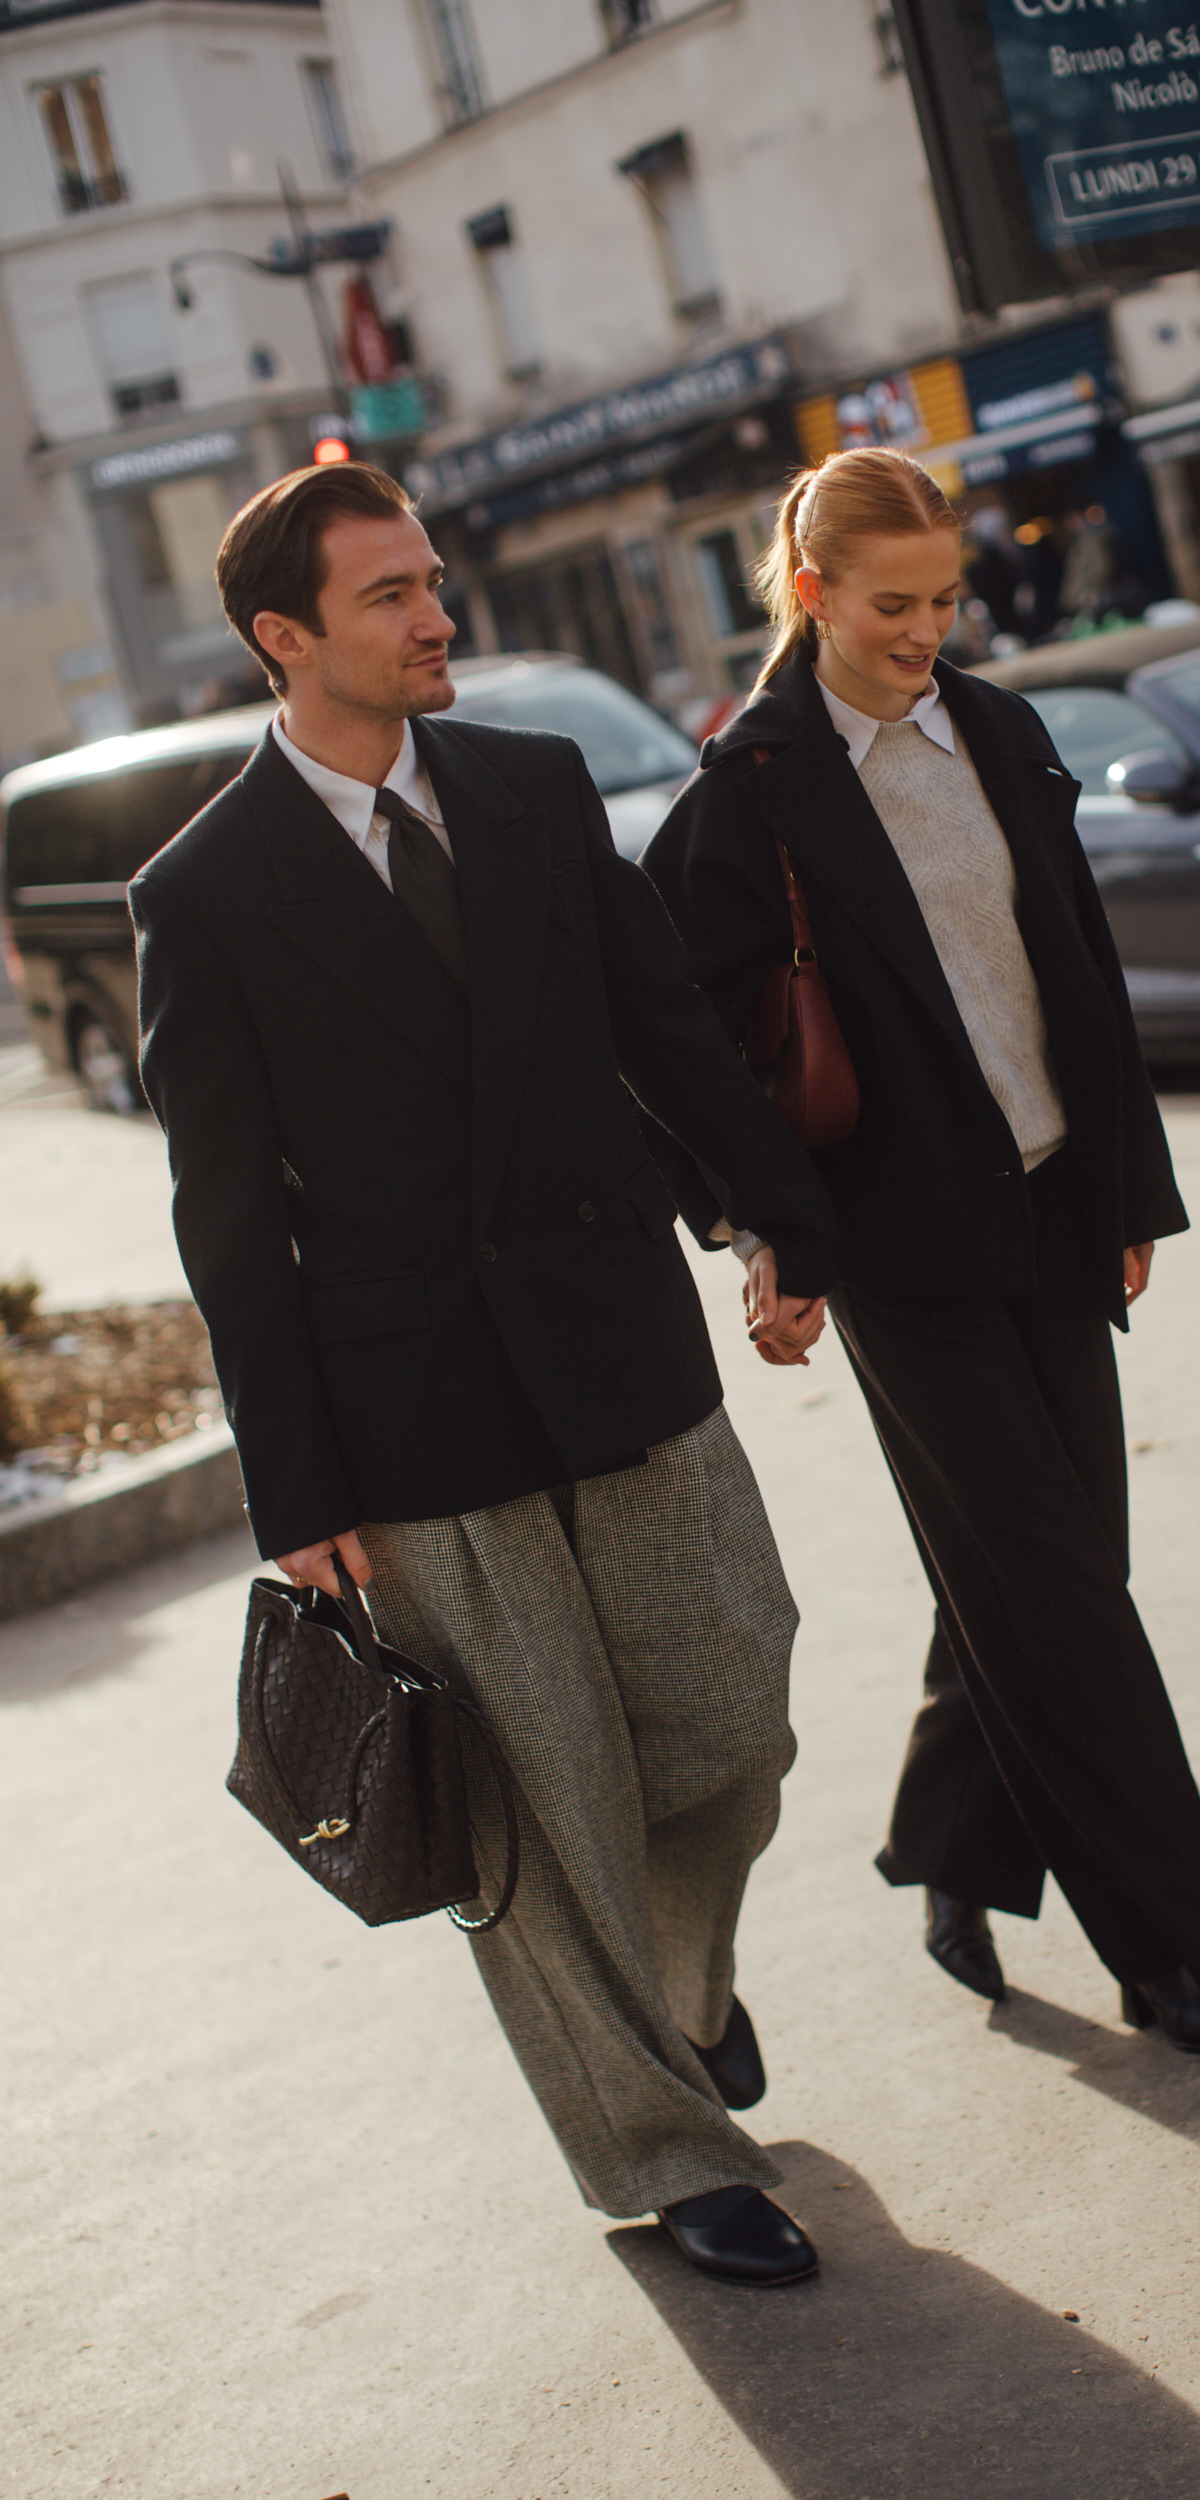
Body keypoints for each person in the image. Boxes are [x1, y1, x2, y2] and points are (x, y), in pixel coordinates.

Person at [129, 461, 839, 2285]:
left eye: (433, 580)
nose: (437, 614)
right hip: (416, 1421)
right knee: (543, 1815)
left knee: (729, 1728)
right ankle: (674, 2155)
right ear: (286, 640)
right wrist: (297, 1494)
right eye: (390, 596)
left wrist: (777, 1222)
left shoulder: (529, 790)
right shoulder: (204, 894)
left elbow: (662, 1029)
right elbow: (228, 1225)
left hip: (623, 1355)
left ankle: (680, 1987)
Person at [645, 446, 1200, 2059]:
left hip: (1062, 1207)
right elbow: (671, 1047)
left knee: (1048, 1571)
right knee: (1061, 1591)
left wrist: (1131, 1189)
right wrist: (762, 1237)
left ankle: (953, 1844)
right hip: (903, 1256)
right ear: (811, 595)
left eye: (945, 597)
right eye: (893, 604)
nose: (929, 628)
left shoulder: (1001, 729)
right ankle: (1173, 1953)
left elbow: (1074, 971)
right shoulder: (749, 791)